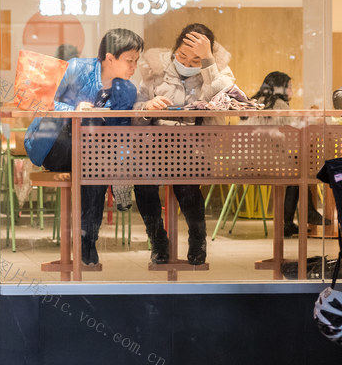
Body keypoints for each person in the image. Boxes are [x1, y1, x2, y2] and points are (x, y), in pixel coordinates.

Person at [24, 28, 144, 266]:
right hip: (53, 143)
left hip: (91, 156)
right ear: (110, 57)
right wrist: (74, 110)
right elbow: (43, 100)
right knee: (91, 132)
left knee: (95, 167)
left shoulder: (127, 90)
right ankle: (85, 242)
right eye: (130, 60)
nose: (134, 67)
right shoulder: (77, 68)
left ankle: (87, 241)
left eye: (137, 61)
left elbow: (119, 135)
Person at [131, 23, 235, 265]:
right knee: (144, 186)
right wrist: (147, 107)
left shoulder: (218, 72)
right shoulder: (153, 72)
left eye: (195, 60)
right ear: (174, 50)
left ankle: (197, 240)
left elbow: (224, 97)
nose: (187, 64)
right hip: (153, 145)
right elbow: (134, 111)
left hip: (193, 146)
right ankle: (157, 241)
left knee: (187, 189)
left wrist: (209, 62)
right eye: (182, 56)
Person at [243, 71, 323, 237]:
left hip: (245, 162)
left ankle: (291, 221)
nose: (292, 90)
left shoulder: (254, 101)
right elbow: (298, 128)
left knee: (295, 170)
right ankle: (302, 215)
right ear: (280, 89)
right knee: (299, 172)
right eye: (290, 87)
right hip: (267, 163)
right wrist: (316, 117)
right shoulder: (279, 104)